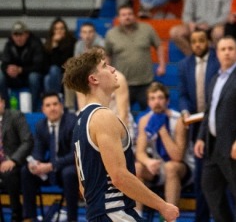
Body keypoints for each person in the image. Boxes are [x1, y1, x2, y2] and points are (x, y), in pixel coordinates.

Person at [63, 48, 179, 222]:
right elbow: (119, 176)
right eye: (105, 66)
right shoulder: (103, 116)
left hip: (98, 213)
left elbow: (82, 185)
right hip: (115, 212)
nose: (112, 69)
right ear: (93, 79)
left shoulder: (81, 120)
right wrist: (162, 205)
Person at [193, 36, 236, 222]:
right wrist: (200, 137)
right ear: (217, 53)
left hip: (235, 146)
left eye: (231, 48)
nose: (227, 52)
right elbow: (209, 111)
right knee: (210, 188)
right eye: (223, 49)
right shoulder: (215, 78)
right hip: (213, 146)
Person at [176, 29, 219, 222]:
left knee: (219, 174)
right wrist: (185, 111)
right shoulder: (184, 65)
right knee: (201, 174)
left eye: (201, 41)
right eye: (194, 41)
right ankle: (201, 218)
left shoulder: (218, 61)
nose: (198, 44)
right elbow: (183, 94)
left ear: (208, 42)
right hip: (196, 124)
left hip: (217, 123)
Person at [134, 82, 192, 214]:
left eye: (160, 98)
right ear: (148, 102)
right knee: (137, 167)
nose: (157, 102)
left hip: (182, 167)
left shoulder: (178, 120)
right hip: (157, 165)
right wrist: (148, 162)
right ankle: (136, 216)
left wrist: (162, 129)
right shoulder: (144, 120)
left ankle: (169, 216)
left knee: (171, 167)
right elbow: (140, 153)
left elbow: (177, 156)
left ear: (167, 100)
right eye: (152, 98)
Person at [21, 92, 80, 222]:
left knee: (68, 173)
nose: (52, 108)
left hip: (68, 167)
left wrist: (52, 165)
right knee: (26, 172)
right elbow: (38, 151)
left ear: (61, 106)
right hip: (51, 171)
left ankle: (72, 219)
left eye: (55, 104)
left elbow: (74, 154)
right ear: (43, 109)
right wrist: (35, 162)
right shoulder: (40, 125)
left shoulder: (72, 122)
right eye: (48, 105)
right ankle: (30, 217)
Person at [104, 5, 165, 111]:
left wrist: (162, 65)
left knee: (150, 116)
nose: (127, 17)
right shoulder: (111, 34)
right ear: (118, 18)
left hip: (146, 82)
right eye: (123, 15)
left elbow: (159, 46)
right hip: (122, 84)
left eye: (129, 14)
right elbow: (106, 55)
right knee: (121, 117)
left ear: (134, 15)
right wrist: (108, 73)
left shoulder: (147, 29)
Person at [0, 91, 33, 222]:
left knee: (9, 173)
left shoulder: (15, 116)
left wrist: (13, 160)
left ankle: (16, 213)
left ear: (3, 103)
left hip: (14, 163)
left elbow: (27, 141)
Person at [0, 20, 45, 109]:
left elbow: (40, 65)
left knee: (34, 77)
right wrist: (8, 69)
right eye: (15, 35)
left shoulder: (35, 43)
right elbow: (3, 63)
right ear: (12, 36)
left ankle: (34, 108)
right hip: (14, 77)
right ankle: (6, 109)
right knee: (0, 76)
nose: (18, 38)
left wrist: (21, 70)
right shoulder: (9, 44)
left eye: (21, 34)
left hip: (30, 75)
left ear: (27, 34)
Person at [43, 18, 76, 96]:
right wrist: (55, 45)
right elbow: (45, 64)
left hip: (66, 73)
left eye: (61, 28)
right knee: (49, 76)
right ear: (52, 31)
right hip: (52, 73)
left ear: (65, 30)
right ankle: (56, 98)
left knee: (52, 72)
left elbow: (63, 63)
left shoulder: (72, 42)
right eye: (56, 29)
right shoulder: (48, 44)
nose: (59, 31)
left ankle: (55, 97)